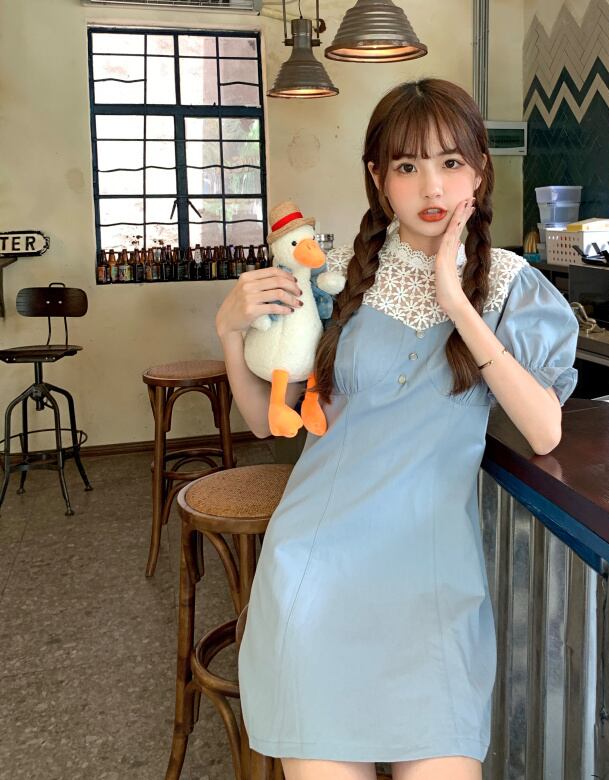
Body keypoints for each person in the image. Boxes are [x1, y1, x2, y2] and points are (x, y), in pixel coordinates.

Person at [215, 78, 578, 780]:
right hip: (316, 582)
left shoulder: (510, 285)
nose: (431, 186)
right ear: (379, 180)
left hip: (432, 593)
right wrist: (231, 334)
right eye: (407, 166)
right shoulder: (338, 283)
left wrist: (457, 302)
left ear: (479, 171)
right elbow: (266, 422)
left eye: (450, 162)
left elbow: (544, 431)